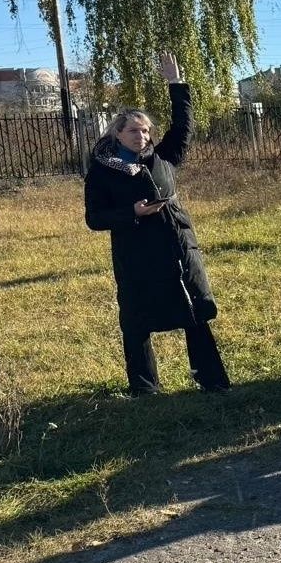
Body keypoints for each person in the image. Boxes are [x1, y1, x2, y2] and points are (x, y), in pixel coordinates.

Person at [84, 52, 229, 396]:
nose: (142, 136)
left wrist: (176, 84)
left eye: (146, 130)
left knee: (194, 311)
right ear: (118, 134)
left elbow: (183, 126)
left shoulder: (162, 157)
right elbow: (94, 218)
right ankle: (145, 388)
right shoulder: (102, 172)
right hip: (136, 254)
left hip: (176, 246)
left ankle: (211, 381)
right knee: (137, 320)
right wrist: (131, 212)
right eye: (134, 130)